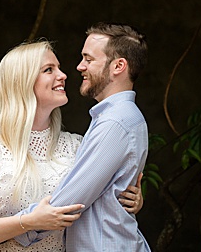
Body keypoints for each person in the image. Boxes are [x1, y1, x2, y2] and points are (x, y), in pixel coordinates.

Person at [0, 40, 143, 251]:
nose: (63, 75)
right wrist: (29, 221)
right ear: (22, 81)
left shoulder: (77, 146)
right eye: (49, 70)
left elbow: (94, 207)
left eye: (58, 67)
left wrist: (129, 201)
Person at [14, 23, 150, 251]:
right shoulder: (118, 118)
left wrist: (9, 234)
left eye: (88, 59)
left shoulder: (115, 123)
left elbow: (71, 200)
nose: (79, 67)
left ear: (118, 66)